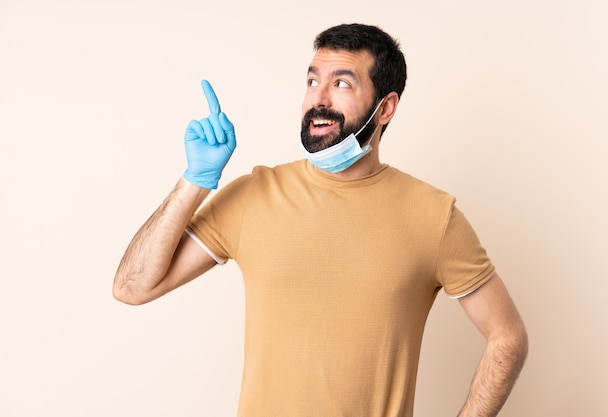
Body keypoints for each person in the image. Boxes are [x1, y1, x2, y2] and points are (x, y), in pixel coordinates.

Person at [113, 23, 528, 417]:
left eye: (341, 83)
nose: (319, 99)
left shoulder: (434, 216)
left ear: (386, 107)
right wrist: (194, 181)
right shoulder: (253, 195)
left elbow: (507, 337)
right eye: (313, 81)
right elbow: (132, 287)